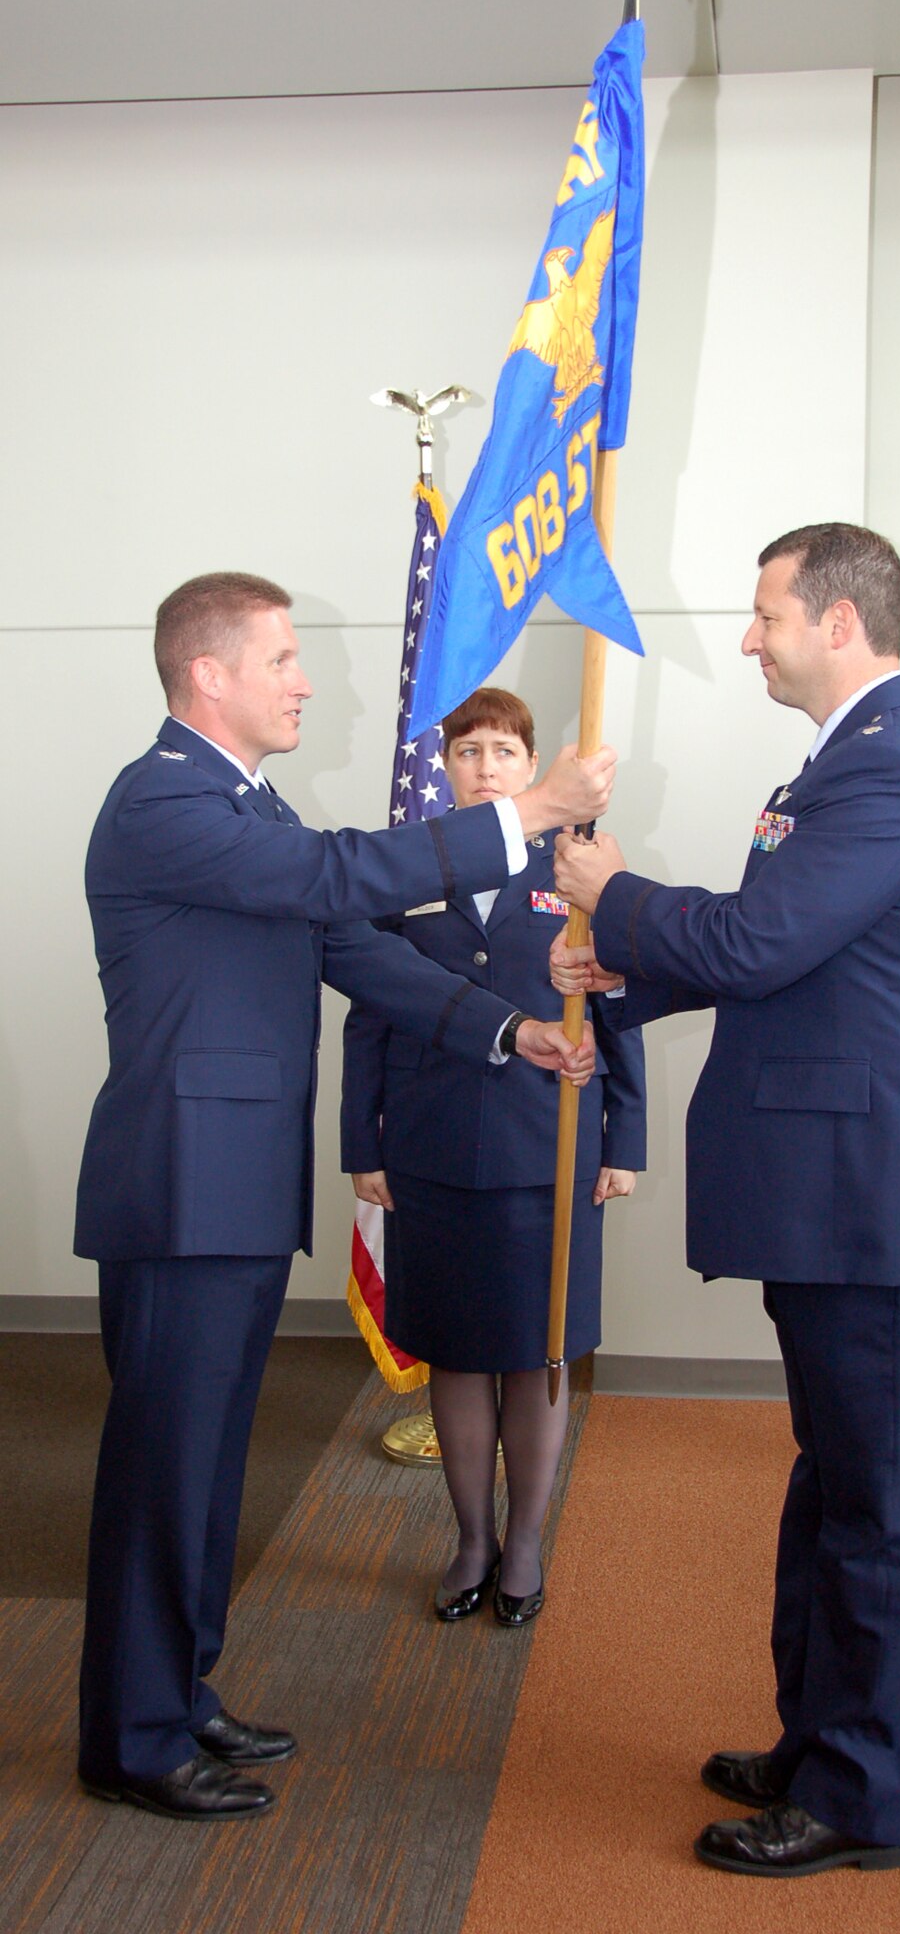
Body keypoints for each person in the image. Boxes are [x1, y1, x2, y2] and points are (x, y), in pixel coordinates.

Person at [75, 572, 616, 1821]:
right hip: (181, 1189)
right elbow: (335, 883)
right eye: (281, 658)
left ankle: (179, 1685)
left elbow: (354, 948)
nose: (305, 678)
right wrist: (521, 810)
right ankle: (131, 1733)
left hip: (235, 1187)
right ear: (208, 673)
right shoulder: (164, 796)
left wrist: (508, 1031)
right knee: (165, 1462)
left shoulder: (237, 805)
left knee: (209, 1461)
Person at [550, 523, 900, 1879]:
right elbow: (785, 965)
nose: (748, 638)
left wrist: (615, 892)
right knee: (833, 1488)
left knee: (876, 1513)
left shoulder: (891, 777)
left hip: (883, 1207)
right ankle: (818, 1740)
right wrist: (623, 963)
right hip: (843, 1199)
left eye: (764, 616)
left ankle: (867, 1796)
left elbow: (759, 940)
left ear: (838, 622)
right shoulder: (841, 771)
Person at [342, 689, 646, 1625]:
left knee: (535, 1354)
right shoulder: (405, 869)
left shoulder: (578, 864)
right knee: (457, 1357)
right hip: (431, 1149)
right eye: (466, 752)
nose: (484, 767)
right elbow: (367, 1015)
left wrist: (623, 1139)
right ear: (444, 766)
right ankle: (470, 1540)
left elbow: (615, 1006)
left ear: (532, 765)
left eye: (503, 751)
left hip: (544, 1147)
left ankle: (522, 1547)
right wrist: (364, 1142)